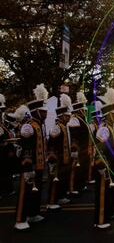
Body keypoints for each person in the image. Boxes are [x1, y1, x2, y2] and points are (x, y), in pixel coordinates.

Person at [14, 83, 49, 230]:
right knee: (25, 192)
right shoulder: (29, 126)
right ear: (37, 112)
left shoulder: (39, 124)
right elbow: (26, 147)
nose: (46, 114)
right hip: (30, 164)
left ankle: (33, 213)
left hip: (39, 164)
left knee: (36, 191)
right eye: (43, 111)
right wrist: (28, 166)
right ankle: (20, 219)